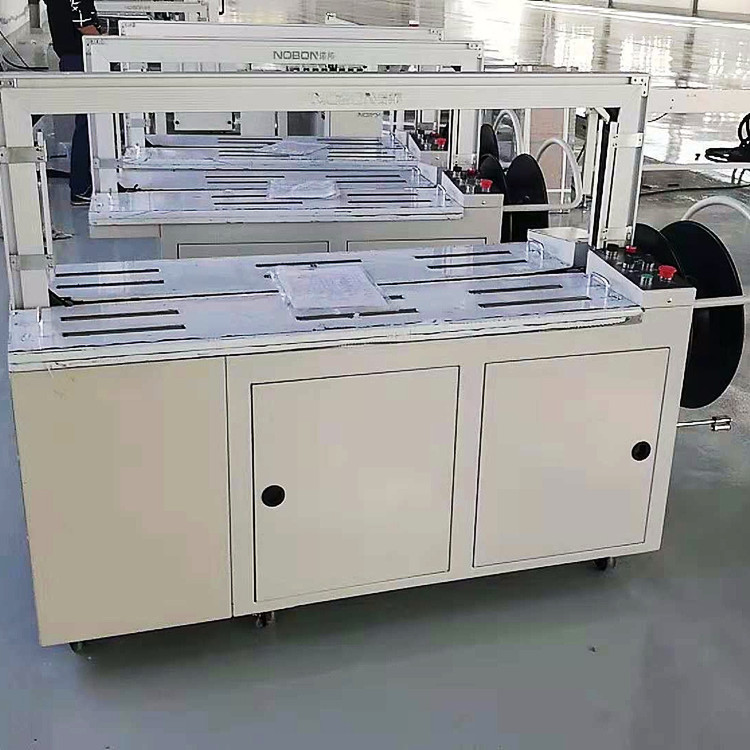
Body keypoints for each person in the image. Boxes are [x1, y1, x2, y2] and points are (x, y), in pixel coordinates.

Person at [42, 0, 100, 205]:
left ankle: (84, 183)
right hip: (81, 56)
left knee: (86, 122)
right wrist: (109, 46)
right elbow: (83, 24)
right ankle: (81, 186)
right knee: (89, 123)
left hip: (70, 55)